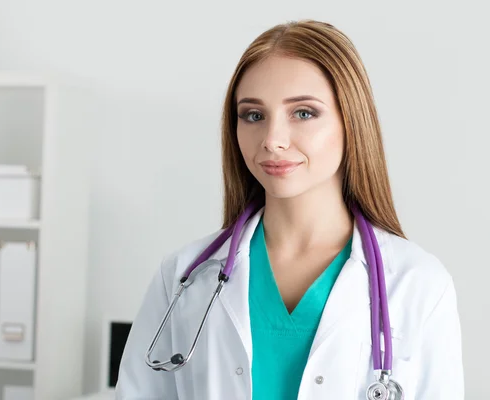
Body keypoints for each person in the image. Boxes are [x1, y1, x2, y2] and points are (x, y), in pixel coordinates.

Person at [115, 19, 464, 399]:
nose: (272, 140)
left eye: (303, 113)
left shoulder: (418, 284)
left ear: (352, 122)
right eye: (253, 115)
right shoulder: (184, 277)